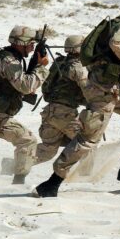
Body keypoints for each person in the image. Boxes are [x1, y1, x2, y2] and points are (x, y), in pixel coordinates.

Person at [33, 0, 120, 197]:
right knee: (89, 138)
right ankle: (51, 183)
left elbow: (119, 50)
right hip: (103, 90)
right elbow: (117, 44)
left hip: (115, 89)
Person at [0, 26, 49, 184]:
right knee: (27, 140)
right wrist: (41, 67)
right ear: (20, 43)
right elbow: (26, 86)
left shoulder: (1, 55)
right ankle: (18, 181)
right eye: (30, 44)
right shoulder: (9, 61)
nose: (32, 48)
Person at [34, 35, 88, 165]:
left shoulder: (58, 62)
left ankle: (15, 163)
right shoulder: (78, 68)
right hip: (65, 114)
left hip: (49, 111)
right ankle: (86, 177)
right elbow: (89, 91)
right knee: (86, 143)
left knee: (47, 150)